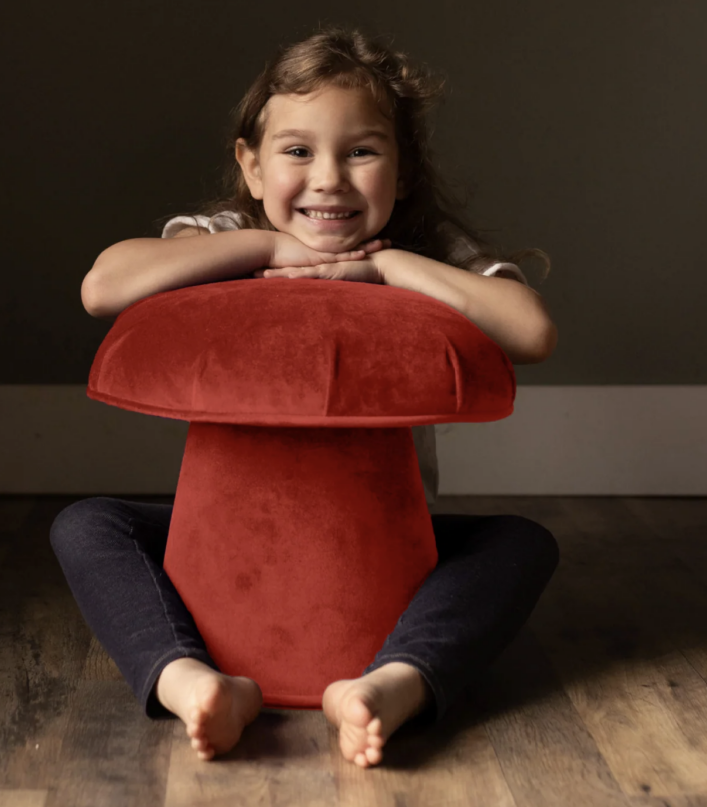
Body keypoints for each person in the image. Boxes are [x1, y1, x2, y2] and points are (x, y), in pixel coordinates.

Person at [51, 24, 560, 769]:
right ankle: (189, 677)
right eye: (297, 151)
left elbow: (532, 329)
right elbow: (103, 287)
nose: (329, 179)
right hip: (224, 539)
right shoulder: (231, 231)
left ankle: (394, 680)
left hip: (383, 543)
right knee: (87, 524)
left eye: (361, 150)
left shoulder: (422, 247)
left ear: (404, 168)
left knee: (522, 543)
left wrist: (387, 268)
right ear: (251, 168)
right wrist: (264, 247)